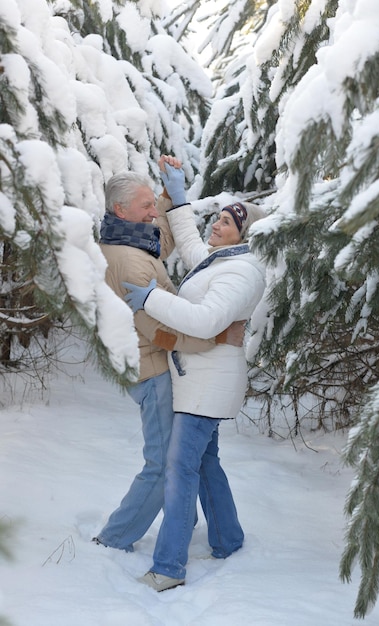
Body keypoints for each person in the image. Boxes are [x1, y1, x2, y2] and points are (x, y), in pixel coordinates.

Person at [123, 161, 266, 590]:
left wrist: (150, 300)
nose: (217, 225)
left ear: (245, 236)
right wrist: (178, 195)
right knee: (205, 462)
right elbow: (188, 241)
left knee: (179, 466)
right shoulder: (223, 261)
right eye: (219, 217)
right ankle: (227, 538)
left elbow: (204, 321)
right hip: (199, 378)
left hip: (207, 385)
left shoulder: (243, 272)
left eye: (227, 222)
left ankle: (169, 567)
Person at [93, 167, 245, 552]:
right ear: (120, 209)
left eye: (151, 205)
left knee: (189, 456)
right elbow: (162, 332)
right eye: (145, 206)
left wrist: (166, 196)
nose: (151, 213)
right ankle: (115, 538)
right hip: (154, 371)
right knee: (162, 465)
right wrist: (215, 337)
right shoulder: (129, 262)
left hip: (155, 366)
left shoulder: (127, 238)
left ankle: (186, 519)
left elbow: (160, 238)